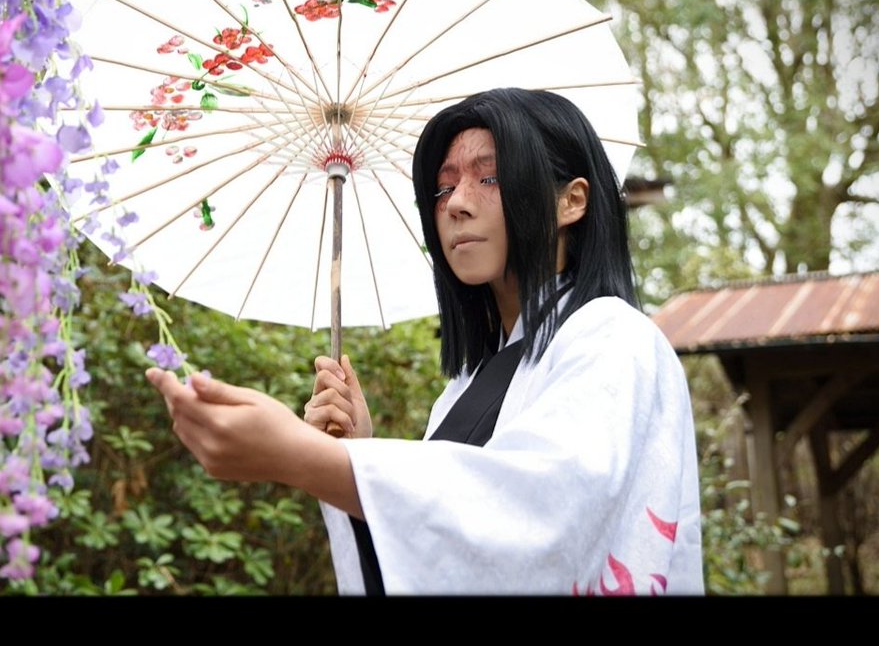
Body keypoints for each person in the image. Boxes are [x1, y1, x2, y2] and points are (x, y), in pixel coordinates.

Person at [145, 88, 704, 595]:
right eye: (444, 185)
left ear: (572, 201)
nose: (456, 202)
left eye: (489, 178)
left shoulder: (615, 337)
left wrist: (302, 457)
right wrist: (354, 451)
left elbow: (543, 516)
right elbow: (447, 548)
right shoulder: (462, 387)